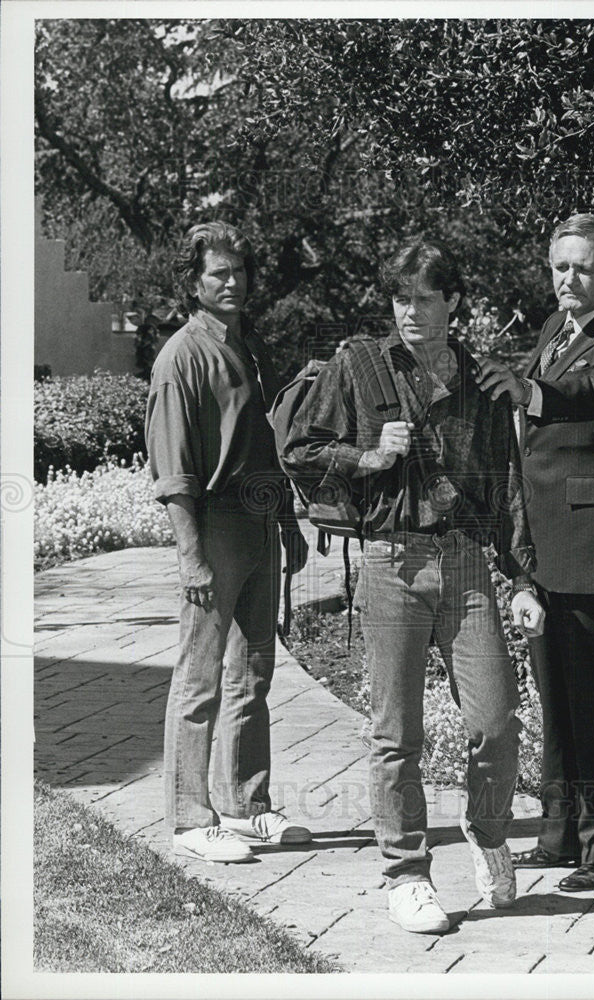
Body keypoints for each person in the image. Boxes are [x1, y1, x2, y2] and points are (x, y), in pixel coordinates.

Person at [279, 238, 542, 933]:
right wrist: (367, 456)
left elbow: (507, 486)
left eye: (427, 297)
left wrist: (519, 578)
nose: (413, 312)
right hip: (392, 563)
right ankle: (406, 872)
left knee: (497, 720)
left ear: (453, 302)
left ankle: (486, 832)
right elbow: (300, 452)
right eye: (402, 298)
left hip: (464, 563)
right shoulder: (360, 366)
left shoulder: (483, 385)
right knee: (397, 735)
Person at [476, 213, 594, 892]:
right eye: (559, 266)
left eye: (582, 266)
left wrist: (530, 391)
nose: (568, 279)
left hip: (593, 537)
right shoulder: (555, 329)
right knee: (557, 696)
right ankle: (560, 836)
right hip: (543, 544)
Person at [145, 221, 311, 864]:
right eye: (218, 273)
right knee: (200, 676)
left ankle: (246, 805)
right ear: (194, 282)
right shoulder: (180, 358)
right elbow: (174, 472)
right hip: (212, 527)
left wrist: (288, 522)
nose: (233, 281)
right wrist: (191, 555)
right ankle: (190, 817)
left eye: (239, 270)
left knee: (252, 674)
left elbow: (265, 443)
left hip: (260, 523)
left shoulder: (252, 346)